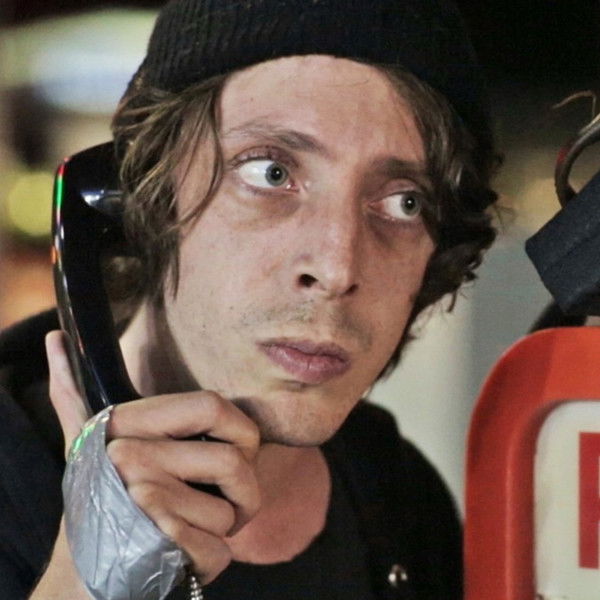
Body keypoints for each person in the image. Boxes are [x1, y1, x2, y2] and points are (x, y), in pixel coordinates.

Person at [0, 0, 499, 598]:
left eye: (404, 203)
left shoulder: (402, 502)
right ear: (141, 194)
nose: (337, 267)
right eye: (270, 174)